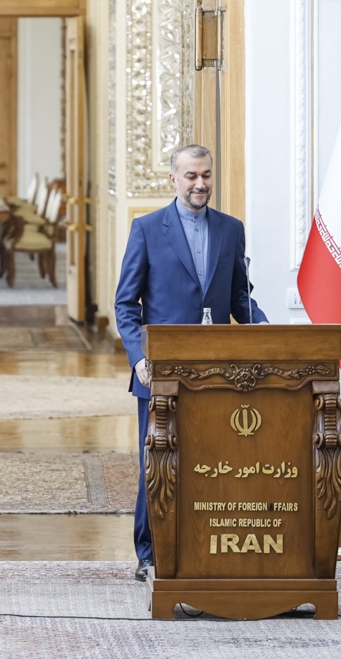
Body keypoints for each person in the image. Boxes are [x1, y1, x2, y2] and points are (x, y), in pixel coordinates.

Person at [114, 144, 266, 582]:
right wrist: (139, 359)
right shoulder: (146, 229)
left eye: (206, 175)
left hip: (217, 374)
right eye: (191, 176)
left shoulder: (231, 230)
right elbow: (126, 305)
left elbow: (239, 298)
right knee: (157, 464)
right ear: (173, 180)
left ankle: (204, 549)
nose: (200, 184)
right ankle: (149, 553)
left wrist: (268, 333)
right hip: (159, 372)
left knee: (210, 463)